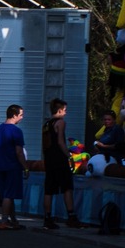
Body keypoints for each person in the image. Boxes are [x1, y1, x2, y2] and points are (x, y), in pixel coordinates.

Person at [41, 98, 82, 230]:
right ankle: (71, 216)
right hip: (59, 160)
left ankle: (47, 218)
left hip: (49, 160)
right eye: (64, 110)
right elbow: (60, 142)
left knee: (49, 189)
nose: (65, 112)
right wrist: (69, 156)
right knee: (67, 187)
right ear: (59, 110)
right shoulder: (60, 122)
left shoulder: (46, 124)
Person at [0, 104, 29, 230]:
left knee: (7, 194)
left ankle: (13, 220)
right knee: (9, 195)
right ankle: (4, 221)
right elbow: (19, 152)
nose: (22, 117)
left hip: (0, 165)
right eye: (21, 115)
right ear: (14, 115)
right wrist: (25, 167)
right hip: (13, 166)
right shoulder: (16, 131)